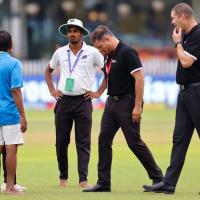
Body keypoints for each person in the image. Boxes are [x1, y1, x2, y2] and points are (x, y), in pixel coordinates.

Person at [82, 25, 163, 192]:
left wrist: (137, 106)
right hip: (111, 103)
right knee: (103, 139)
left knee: (134, 142)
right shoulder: (108, 55)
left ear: (107, 39)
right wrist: (98, 92)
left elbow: (139, 79)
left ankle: (158, 178)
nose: (99, 51)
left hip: (127, 103)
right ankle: (104, 183)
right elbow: (107, 75)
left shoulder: (127, 52)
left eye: (99, 46)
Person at [143, 3, 200, 194]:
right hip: (185, 93)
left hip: (196, 93)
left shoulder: (198, 34)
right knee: (179, 140)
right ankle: (169, 183)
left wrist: (177, 43)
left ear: (183, 16)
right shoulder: (187, 35)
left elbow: (186, 62)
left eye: (173, 17)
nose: (172, 21)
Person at [44, 18, 104, 188]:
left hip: (83, 101)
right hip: (63, 101)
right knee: (61, 141)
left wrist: (98, 92)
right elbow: (48, 71)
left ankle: (83, 179)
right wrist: (52, 91)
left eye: (75, 30)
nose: (72, 34)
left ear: (82, 33)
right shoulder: (60, 52)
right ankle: (63, 176)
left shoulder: (92, 52)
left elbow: (107, 72)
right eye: (69, 31)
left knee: (83, 142)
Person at [0, 30, 27, 194]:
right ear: (11, 46)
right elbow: (15, 90)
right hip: (9, 112)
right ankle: (10, 186)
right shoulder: (14, 63)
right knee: (10, 148)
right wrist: (23, 115)